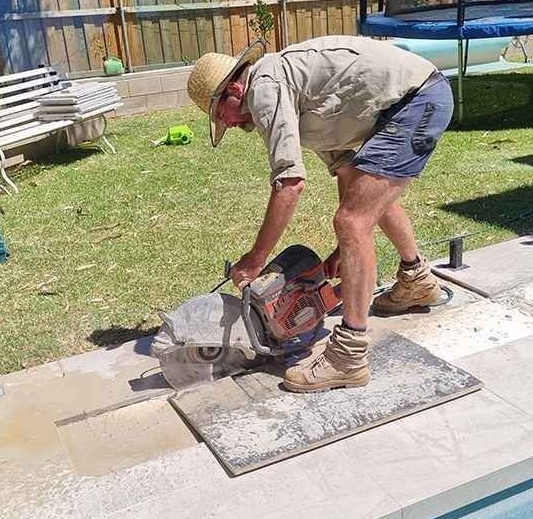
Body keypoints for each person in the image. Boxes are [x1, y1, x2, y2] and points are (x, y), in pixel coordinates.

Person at [186, 35, 453, 393]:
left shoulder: (264, 86)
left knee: (352, 221)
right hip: (416, 97)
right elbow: (349, 171)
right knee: (367, 204)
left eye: (222, 116)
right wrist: (342, 254)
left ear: (233, 90)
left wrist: (255, 260)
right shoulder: (296, 89)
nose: (229, 125)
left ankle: (348, 357)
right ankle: (417, 280)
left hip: (417, 100)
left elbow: (290, 183)